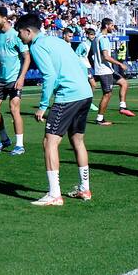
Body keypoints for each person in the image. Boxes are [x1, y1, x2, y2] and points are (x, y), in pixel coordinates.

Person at [17, 13, 93, 206]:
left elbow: (49, 75)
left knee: (49, 142)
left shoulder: (37, 46)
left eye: (20, 33)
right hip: (85, 93)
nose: (19, 37)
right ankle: (85, 189)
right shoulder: (57, 41)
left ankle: (54, 194)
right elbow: (80, 65)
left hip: (68, 96)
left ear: (28, 31)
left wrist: (43, 106)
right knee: (78, 141)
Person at [0, 7, 29, 155]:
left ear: (5, 18)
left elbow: (27, 58)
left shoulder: (17, 35)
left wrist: (22, 77)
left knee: (14, 108)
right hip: (0, 78)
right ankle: (4, 139)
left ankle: (20, 145)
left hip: (14, 79)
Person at [90, 18, 133, 125]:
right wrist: (120, 64)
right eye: (112, 25)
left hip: (107, 69)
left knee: (124, 83)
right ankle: (100, 119)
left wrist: (95, 65)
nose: (113, 28)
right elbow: (106, 57)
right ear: (107, 26)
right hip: (104, 71)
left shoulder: (96, 38)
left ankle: (122, 107)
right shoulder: (103, 38)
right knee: (107, 94)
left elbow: (90, 55)